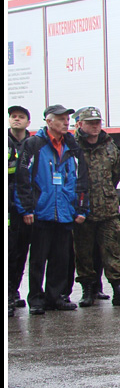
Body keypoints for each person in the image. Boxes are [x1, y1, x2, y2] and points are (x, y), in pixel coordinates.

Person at [15, 105, 89, 315]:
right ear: (49, 121)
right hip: (41, 212)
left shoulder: (73, 147)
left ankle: (55, 297)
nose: (66, 122)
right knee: (38, 259)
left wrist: (82, 208)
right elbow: (23, 179)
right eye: (61, 119)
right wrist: (27, 208)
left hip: (65, 212)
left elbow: (82, 180)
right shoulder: (34, 145)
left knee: (61, 258)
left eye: (67, 119)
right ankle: (36, 299)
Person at [71, 107, 120, 307]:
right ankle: (88, 289)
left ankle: (118, 290)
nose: (95, 126)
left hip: (107, 209)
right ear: (80, 124)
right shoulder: (73, 147)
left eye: (98, 122)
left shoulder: (110, 146)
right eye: (90, 122)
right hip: (83, 210)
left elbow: (114, 174)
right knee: (83, 252)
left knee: (113, 249)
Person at [8, 105, 33, 316]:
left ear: (28, 122)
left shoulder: (32, 144)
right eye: (13, 117)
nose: (17, 120)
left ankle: (14, 291)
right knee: (9, 251)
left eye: (21, 117)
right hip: (8, 207)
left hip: (23, 207)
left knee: (21, 251)